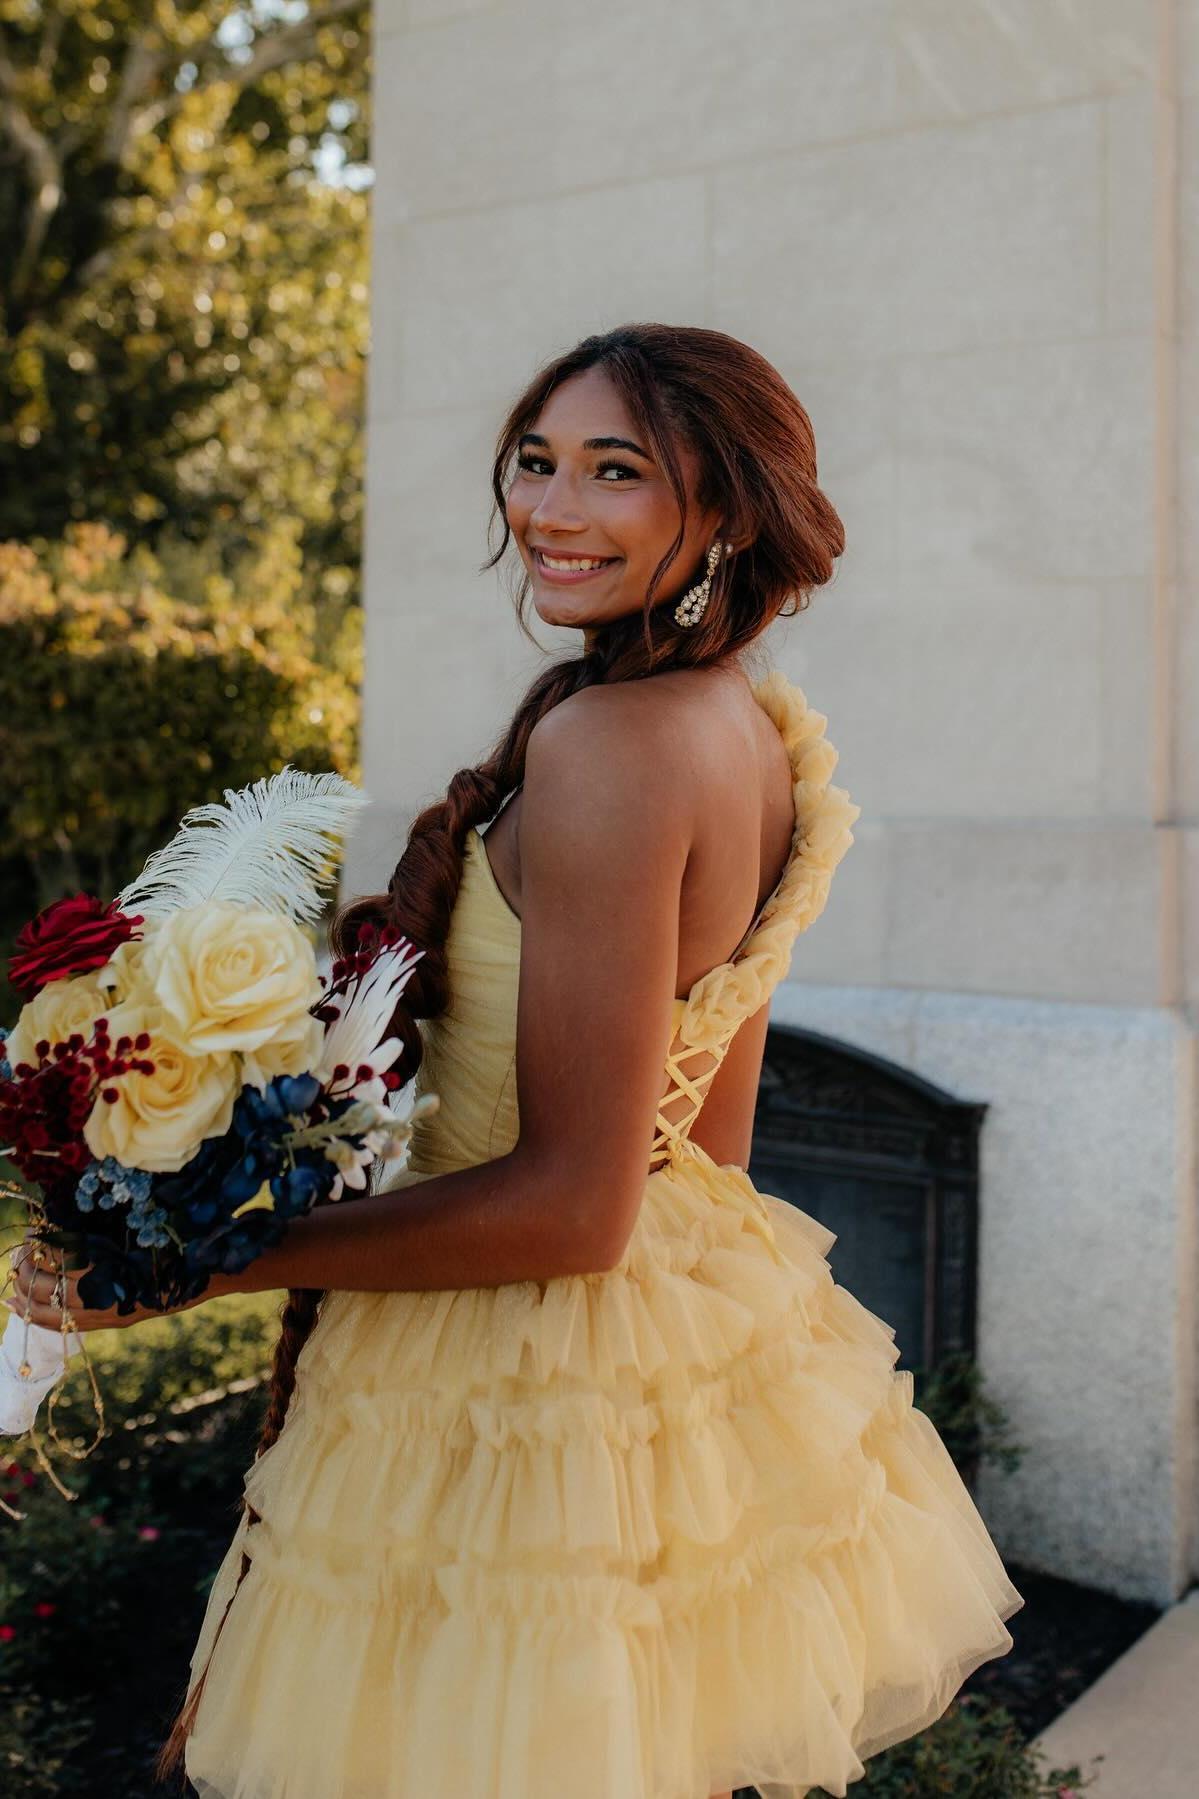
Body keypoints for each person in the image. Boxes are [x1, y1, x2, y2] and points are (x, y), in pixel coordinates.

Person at [19, 323, 1023, 1798]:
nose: (549, 511)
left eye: (614, 471)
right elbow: (708, 1142)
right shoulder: (749, 726)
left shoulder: (615, 746)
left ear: (727, 506)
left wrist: (198, 1262)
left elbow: (572, 1207)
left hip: (515, 1368)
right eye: (536, 462)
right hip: (669, 1340)